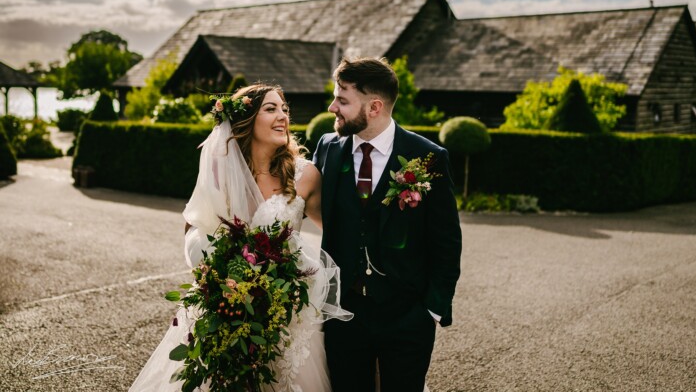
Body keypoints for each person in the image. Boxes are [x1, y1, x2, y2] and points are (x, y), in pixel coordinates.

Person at [129, 84, 350, 392]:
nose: (282, 116)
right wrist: (213, 273)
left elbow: (340, 232)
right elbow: (193, 225)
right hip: (229, 308)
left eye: (284, 109)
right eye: (271, 109)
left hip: (286, 314)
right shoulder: (222, 172)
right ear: (246, 119)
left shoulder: (304, 175)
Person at [313, 57, 462, 392]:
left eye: (343, 100)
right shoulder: (328, 149)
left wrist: (433, 309)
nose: (332, 106)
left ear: (375, 106)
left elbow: (446, 240)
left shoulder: (427, 157)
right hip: (344, 313)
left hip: (407, 315)